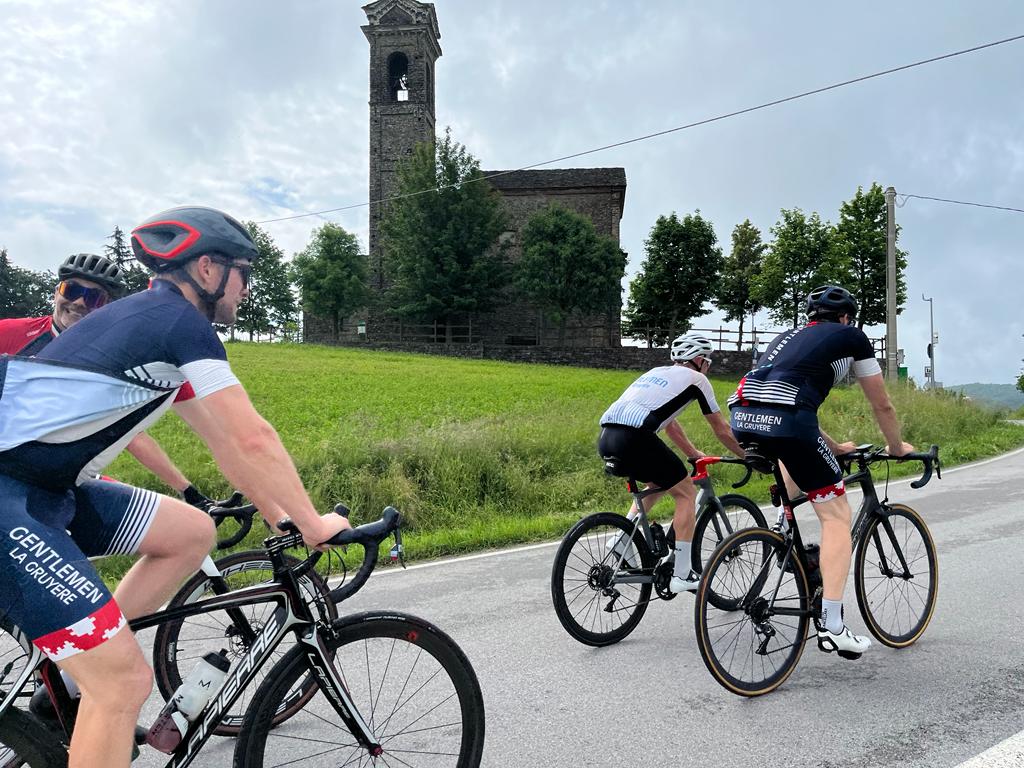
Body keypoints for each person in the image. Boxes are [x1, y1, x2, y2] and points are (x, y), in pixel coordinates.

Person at [0, 206, 350, 768]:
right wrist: (314, 523)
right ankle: (94, 673)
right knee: (122, 683)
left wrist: (280, 518)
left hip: (46, 489)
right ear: (208, 269)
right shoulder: (178, 323)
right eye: (243, 273)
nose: (246, 289)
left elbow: (227, 443)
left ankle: (68, 676)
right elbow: (254, 436)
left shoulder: (153, 326)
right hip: (11, 499)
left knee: (191, 531)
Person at [728, 285, 914, 659]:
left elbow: (792, 407)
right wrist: (896, 447)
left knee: (793, 456)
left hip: (743, 417)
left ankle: (783, 531)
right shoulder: (851, 337)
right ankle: (833, 625)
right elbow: (882, 404)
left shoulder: (787, 336)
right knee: (836, 516)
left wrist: (835, 447)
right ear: (846, 317)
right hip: (788, 421)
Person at [0, 252, 218, 511]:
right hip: (11, 470)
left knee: (175, 522)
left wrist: (188, 491)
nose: (79, 302)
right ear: (56, 292)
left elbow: (130, 432)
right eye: (71, 290)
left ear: (109, 309)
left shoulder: (124, 355)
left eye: (94, 298)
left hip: (62, 477)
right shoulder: (10, 333)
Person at [598, 333, 746, 593]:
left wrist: (692, 452)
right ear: (699, 359)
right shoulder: (697, 379)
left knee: (658, 482)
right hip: (636, 437)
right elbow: (721, 429)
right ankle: (683, 574)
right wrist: (749, 457)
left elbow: (670, 425)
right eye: (708, 361)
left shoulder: (656, 372)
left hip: (607, 437)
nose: (708, 366)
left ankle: (621, 537)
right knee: (686, 492)